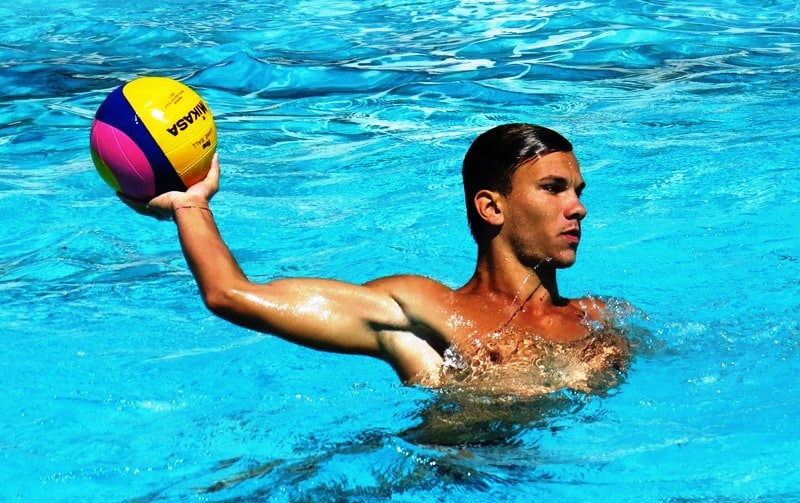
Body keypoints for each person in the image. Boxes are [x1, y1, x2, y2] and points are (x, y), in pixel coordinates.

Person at [124, 123, 629, 394]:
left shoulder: (602, 318)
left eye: (577, 191)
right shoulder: (423, 312)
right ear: (491, 207)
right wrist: (190, 205)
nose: (577, 207)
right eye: (553, 188)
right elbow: (231, 295)